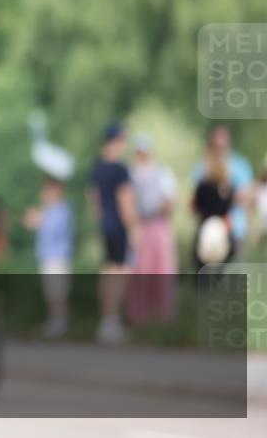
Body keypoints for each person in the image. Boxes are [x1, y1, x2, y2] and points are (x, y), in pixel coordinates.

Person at [88, 123, 139, 345]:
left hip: (105, 225)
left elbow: (93, 199)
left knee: (108, 270)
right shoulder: (120, 169)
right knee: (121, 271)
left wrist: (101, 220)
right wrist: (134, 227)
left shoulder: (97, 167)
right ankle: (113, 320)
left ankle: (106, 320)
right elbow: (125, 200)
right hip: (119, 226)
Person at [125, 134, 178, 325]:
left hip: (159, 225)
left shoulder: (161, 172)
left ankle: (163, 318)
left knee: (163, 272)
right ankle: (140, 318)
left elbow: (169, 200)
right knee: (140, 272)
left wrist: (157, 208)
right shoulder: (130, 173)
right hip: (140, 226)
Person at [22, 174, 74, 338]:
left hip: (57, 258)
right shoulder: (48, 210)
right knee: (51, 291)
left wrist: (39, 219)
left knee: (58, 291)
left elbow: (52, 230)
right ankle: (55, 321)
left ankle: (60, 322)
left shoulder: (61, 210)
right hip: (48, 257)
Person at [191, 126, 254, 256]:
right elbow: (195, 202)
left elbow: (247, 197)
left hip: (235, 229)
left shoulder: (240, 165)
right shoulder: (202, 167)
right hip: (208, 232)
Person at [192, 148, 236, 268]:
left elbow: (194, 207)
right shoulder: (228, 187)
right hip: (221, 226)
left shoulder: (203, 186)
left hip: (206, 224)